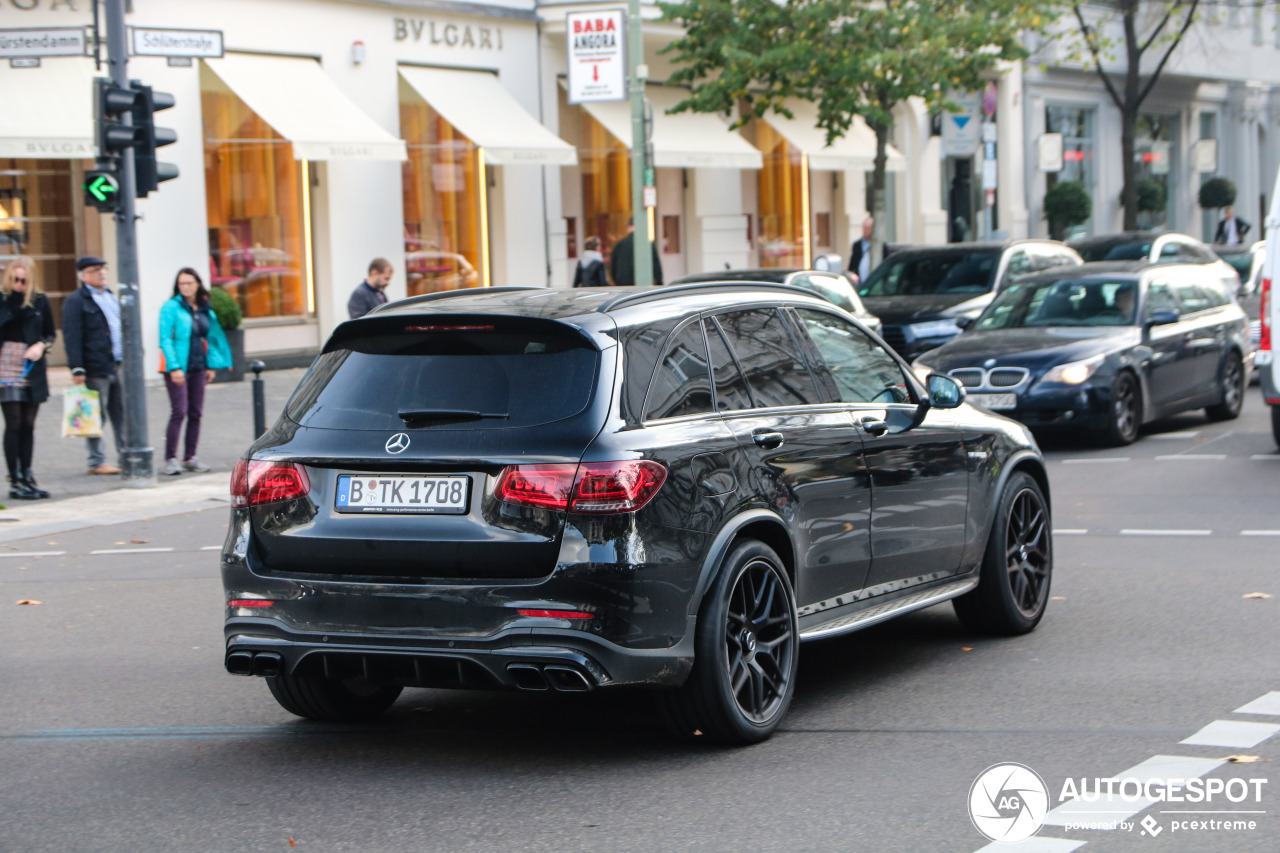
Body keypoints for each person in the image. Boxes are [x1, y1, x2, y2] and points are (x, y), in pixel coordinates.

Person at [159, 268, 232, 476]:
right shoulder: (171, 307)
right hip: (178, 368)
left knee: (196, 413)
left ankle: (190, 457)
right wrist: (174, 368)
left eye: (189, 283)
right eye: (182, 283)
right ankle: (171, 459)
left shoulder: (204, 308)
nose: (186, 287)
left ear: (197, 284)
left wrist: (210, 366)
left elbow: (210, 337)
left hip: (199, 366)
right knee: (178, 411)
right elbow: (165, 339)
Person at [61, 256, 124, 476]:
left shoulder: (110, 296)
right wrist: (77, 367)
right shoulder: (76, 300)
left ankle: (126, 455)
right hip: (96, 365)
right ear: (83, 275)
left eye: (103, 268)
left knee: (122, 414)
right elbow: (72, 335)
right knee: (96, 416)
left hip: (119, 363)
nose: (102, 273)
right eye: (95, 269)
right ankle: (97, 461)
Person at [0, 257, 55, 500]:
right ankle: (15, 479)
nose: (19, 285)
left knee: (29, 424)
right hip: (5, 362)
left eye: (23, 280)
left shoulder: (40, 301)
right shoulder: (2, 299)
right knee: (14, 423)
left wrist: (41, 346)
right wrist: (11, 302)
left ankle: (28, 474)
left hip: (31, 363)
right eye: (15, 280)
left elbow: (50, 334)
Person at [608, 219, 664, 287]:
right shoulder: (647, 244)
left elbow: (613, 266)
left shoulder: (620, 244)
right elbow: (656, 265)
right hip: (643, 283)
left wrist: (617, 280)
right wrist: (659, 283)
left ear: (630, 227)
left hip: (623, 283)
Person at [847, 217, 874, 283]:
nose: (865, 230)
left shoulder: (879, 246)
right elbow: (852, 264)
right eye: (864, 228)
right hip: (859, 281)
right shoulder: (857, 245)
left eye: (868, 228)